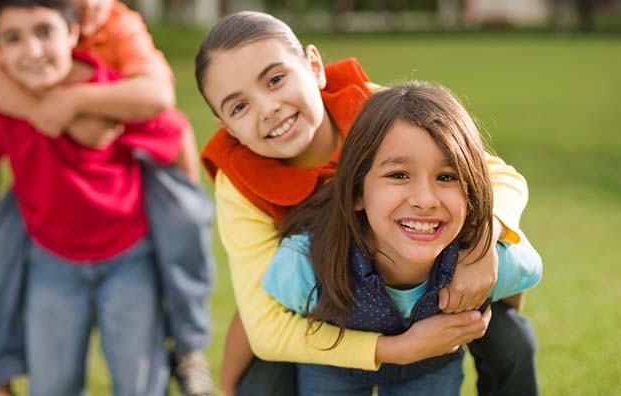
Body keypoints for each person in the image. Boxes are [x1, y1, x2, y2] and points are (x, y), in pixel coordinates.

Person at [196, 11, 537, 396]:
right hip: (324, 300)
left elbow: (499, 176)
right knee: (261, 386)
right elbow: (264, 326)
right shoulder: (238, 179)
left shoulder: (378, 111)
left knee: (509, 340)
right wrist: (396, 349)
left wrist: (482, 243)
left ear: (314, 66)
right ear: (224, 124)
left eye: (276, 80)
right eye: (238, 106)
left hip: (431, 280)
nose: (267, 108)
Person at [0, 0, 215, 394]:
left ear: (73, 32)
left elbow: (173, 128)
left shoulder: (113, 89)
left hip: (129, 258)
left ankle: (188, 349)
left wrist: (186, 203)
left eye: (44, 33)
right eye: (13, 39)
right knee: (52, 385)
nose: (31, 50)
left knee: (139, 384)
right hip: (53, 263)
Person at [261, 81, 543, 395]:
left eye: (446, 177)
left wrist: (485, 273)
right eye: (398, 175)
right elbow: (263, 324)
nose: (425, 200)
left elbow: (525, 275)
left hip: (429, 370)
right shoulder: (304, 266)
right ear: (357, 192)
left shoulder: (487, 261)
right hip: (335, 368)